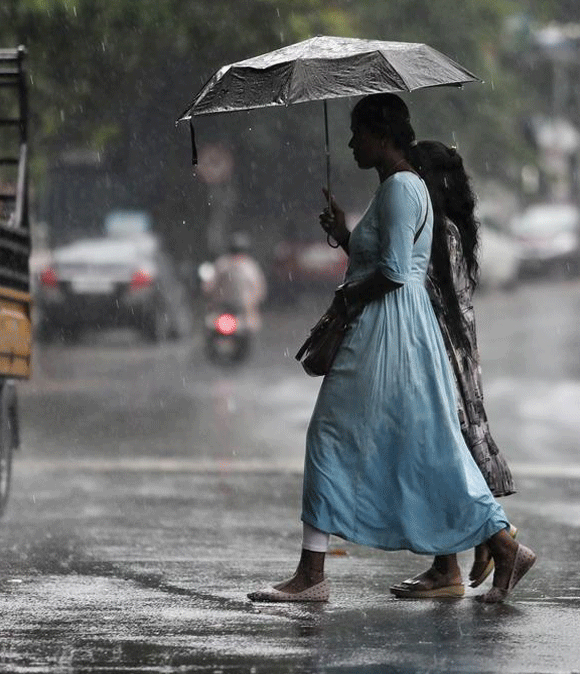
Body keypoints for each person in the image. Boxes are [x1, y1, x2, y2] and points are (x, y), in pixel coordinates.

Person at [247, 94, 535, 604]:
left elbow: (397, 272)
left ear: (383, 134)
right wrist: (346, 235)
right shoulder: (404, 187)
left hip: (386, 332)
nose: (353, 143)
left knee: (330, 437)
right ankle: (502, 543)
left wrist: (347, 294)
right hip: (399, 329)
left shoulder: (402, 187)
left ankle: (311, 575)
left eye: (359, 133)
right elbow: (387, 257)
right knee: (427, 446)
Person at [388, 140, 518, 599]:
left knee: (441, 455)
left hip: (437, 355)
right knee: (444, 454)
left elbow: (403, 282)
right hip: (454, 354)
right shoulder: (455, 228)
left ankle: (490, 545)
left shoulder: (436, 230)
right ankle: (460, 557)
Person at [202, 231, 267, 329]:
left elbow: (208, 287)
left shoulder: (222, 264)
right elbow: (260, 290)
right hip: (235, 310)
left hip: (233, 311)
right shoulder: (251, 266)